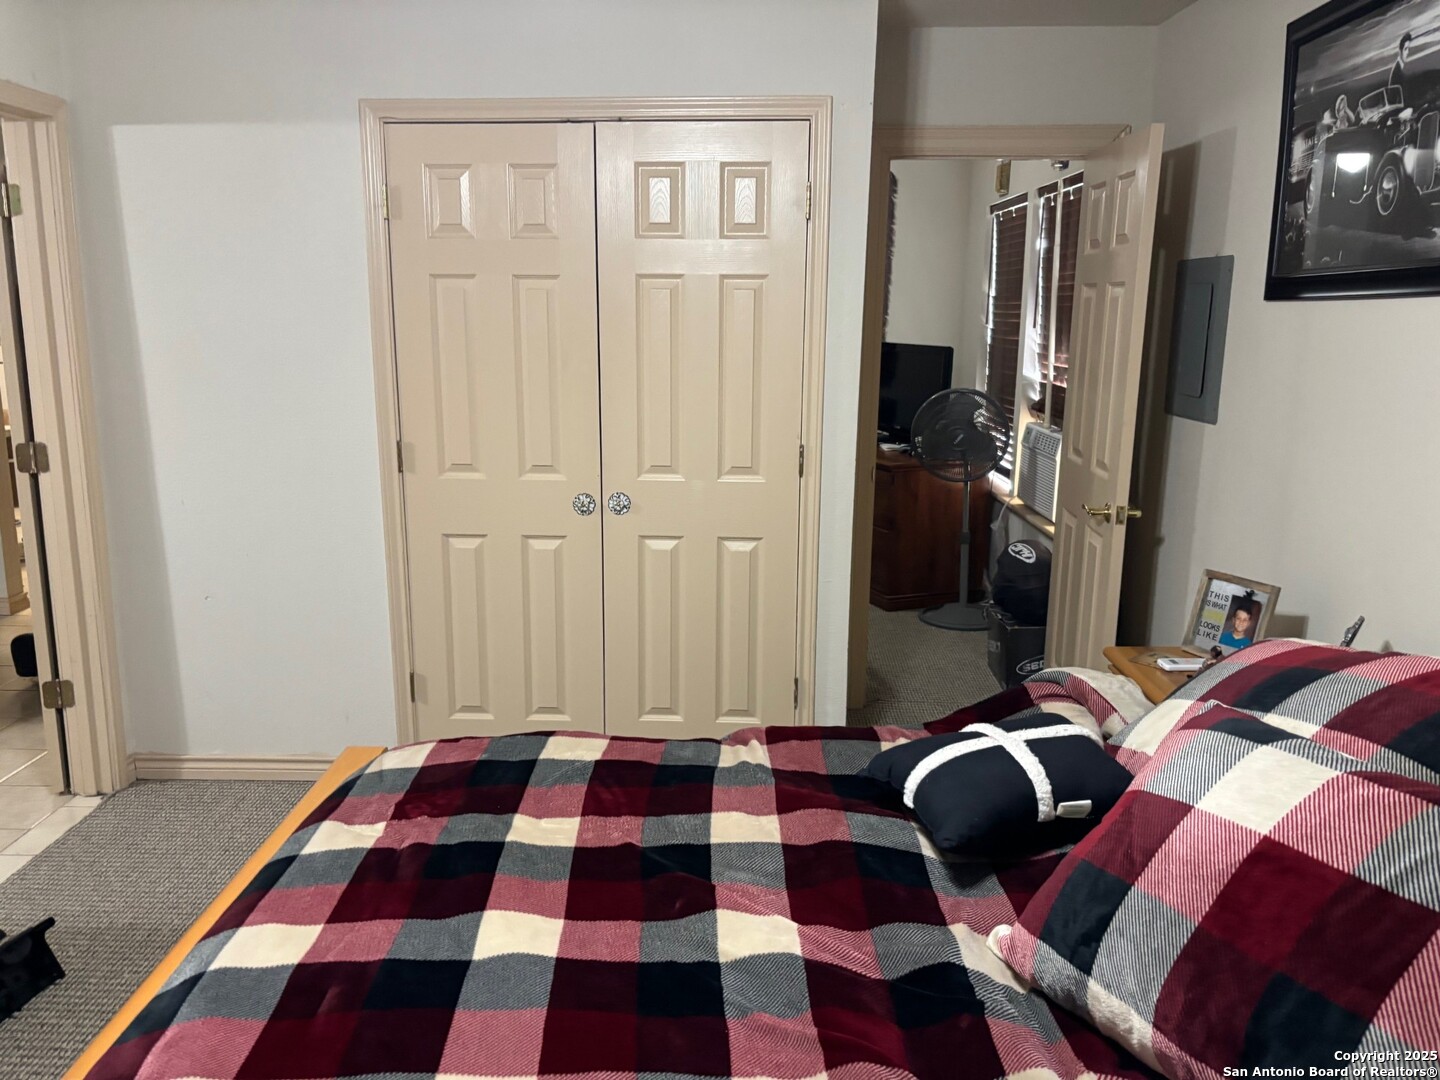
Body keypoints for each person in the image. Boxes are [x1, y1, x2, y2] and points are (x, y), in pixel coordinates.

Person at [1390, 31, 1415, 105]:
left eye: (1408, 49)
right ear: (1400, 51)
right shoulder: (1397, 71)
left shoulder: (1399, 67)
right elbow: (1393, 98)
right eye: (1405, 49)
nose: (1408, 52)